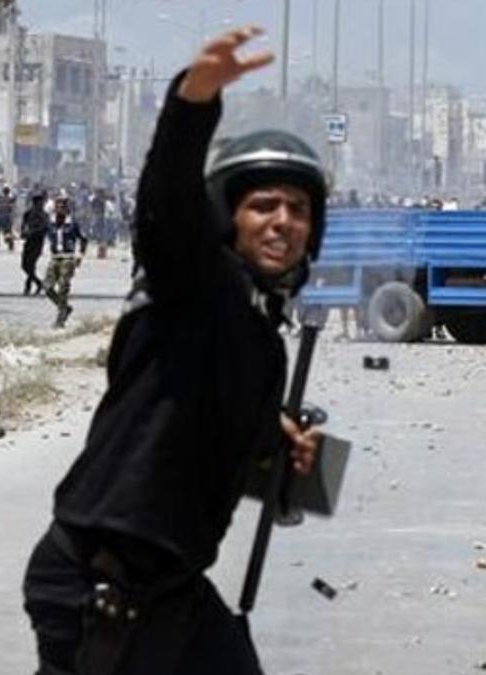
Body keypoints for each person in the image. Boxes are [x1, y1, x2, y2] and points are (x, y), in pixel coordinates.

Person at [22, 26, 328, 674]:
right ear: (227, 219)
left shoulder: (258, 334)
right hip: (103, 583)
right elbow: (165, 203)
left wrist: (274, 441)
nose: (282, 221)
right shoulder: (193, 284)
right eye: (264, 206)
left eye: (297, 208)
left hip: (170, 584)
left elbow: (203, 420)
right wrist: (192, 104)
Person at [43, 197, 86, 328]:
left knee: (63, 287)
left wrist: (80, 255)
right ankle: (65, 307)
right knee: (47, 288)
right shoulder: (50, 223)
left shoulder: (72, 223)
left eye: (62, 207)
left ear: (67, 209)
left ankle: (60, 318)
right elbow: (41, 234)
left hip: (68, 257)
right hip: (55, 257)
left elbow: (83, 239)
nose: (60, 209)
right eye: (58, 207)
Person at [21, 190, 50, 296]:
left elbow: (46, 228)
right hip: (29, 241)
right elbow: (23, 226)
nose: (41, 205)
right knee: (25, 265)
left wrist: (34, 232)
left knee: (31, 265)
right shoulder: (28, 213)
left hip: (37, 242)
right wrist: (24, 233)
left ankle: (28, 287)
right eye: (40, 203)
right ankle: (38, 283)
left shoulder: (44, 215)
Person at [0, 186, 17, 251]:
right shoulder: (10, 199)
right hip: (7, 217)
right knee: (8, 231)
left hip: (0, 216)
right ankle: (10, 245)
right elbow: (13, 208)